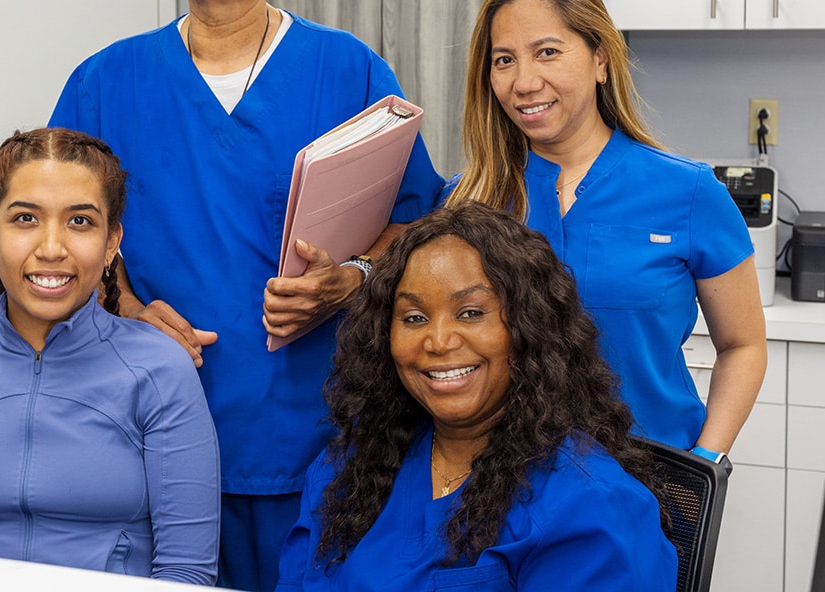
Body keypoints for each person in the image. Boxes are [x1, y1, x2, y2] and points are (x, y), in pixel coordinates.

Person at [48, 0, 444, 591]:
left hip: (324, 444)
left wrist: (354, 279)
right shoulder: (105, 83)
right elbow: (55, 238)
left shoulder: (348, 70)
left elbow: (417, 228)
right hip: (150, 435)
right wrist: (124, 308)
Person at [447, 0, 766, 459]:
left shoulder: (689, 192)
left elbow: (743, 345)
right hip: (504, 480)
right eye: (504, 60)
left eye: (547, 52)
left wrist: (705, 463)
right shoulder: (466, 202)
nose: (524, 82)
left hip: (651, 478)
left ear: (600, 59)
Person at [276, 201, 678, 591]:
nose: (438, 341)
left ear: (529, 327)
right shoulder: (348, 467)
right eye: (414, 318)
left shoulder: (590, 506)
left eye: (470, 312)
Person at [0, 128, 220, 584]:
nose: (51, 249)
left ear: (111, 244)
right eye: (25, 218)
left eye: (80, 222)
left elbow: (185, 572)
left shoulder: (160, 369)